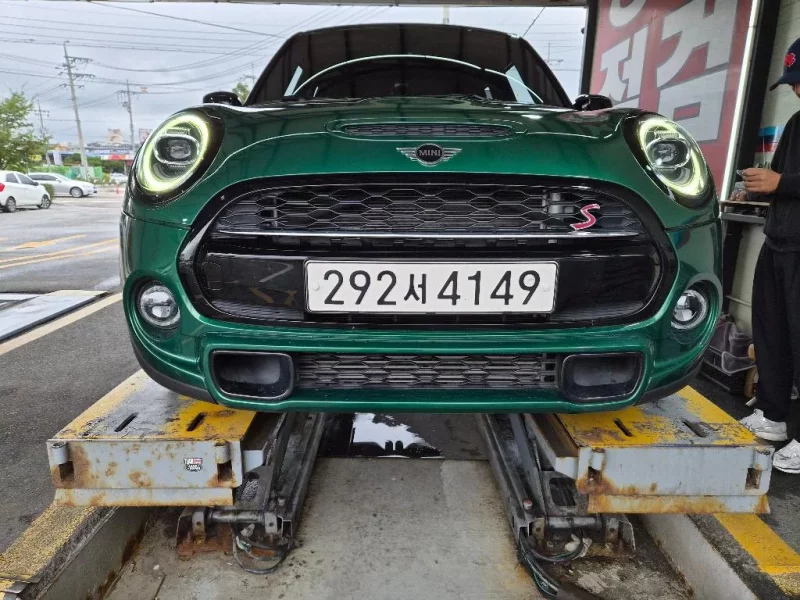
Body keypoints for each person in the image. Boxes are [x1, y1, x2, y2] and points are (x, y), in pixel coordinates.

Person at [739, 38, 800, 474]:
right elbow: (778, 176)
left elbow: (786, 181)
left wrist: (781, 184)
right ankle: (772, 416)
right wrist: (757, 187)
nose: (796, 89)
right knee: (772, 334)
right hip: (779, 241)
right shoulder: (797, 122)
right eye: (794, 82)